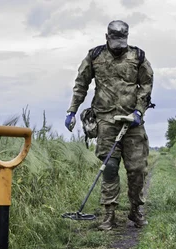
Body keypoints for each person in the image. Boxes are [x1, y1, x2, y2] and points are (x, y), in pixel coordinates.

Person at [65, 20, 154, 230]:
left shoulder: (138, 56)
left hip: (132, 123)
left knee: (137, 168)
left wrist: (139, 110)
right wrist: (72, 110)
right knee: (110, 167)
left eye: (122, 42)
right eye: (115, 42)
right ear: (107, 37)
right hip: (105, 120)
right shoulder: (94, 56)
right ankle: (109, 214)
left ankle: (135, 209)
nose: (118, 47)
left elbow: (147, 84)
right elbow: (81, 84)